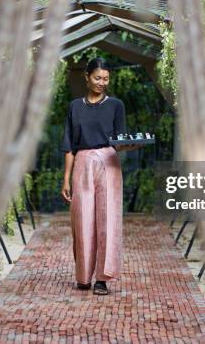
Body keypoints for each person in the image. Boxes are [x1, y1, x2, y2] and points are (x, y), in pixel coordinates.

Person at [60, 57, 136, 295]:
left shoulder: (116, 105)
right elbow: (69, 145)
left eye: (106, 79)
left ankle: (102, 278)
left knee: (107, 218)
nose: (102, 82)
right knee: (82, 219)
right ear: (87, 77)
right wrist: (65, 179)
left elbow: (120, 141)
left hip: (109, 162)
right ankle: (83, 275)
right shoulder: (75, 106)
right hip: (82, 162)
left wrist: (131, 146)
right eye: (97, 78)